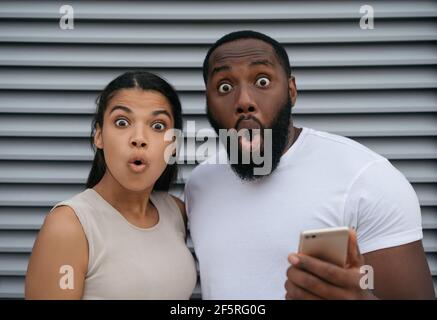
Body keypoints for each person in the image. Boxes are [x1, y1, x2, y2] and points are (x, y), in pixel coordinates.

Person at [185, 30, 435, 299]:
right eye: (224, 86)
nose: (244, 101)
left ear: (291, 91)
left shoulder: (367, 178)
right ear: (207, 102)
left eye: (262, 80)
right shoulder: (200, 184)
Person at [25, 71, 197, 299]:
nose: (139, 138)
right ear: (99, 135)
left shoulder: (177, 212)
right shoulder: (69, 226)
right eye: (122, 122)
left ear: (173, 144)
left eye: (157, 126)